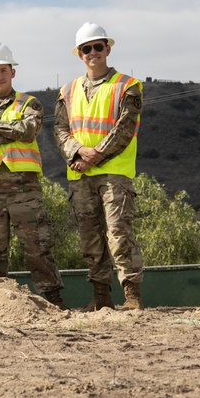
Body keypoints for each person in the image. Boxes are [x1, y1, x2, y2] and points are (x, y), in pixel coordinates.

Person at [0, 43, 66, 308]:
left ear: (13, 72)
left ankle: (54, 301)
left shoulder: (29, 102)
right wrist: (12, 128)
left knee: (37, 246)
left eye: (4, 70)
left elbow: (29, 130)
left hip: (24, 189)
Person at [54, 23, 144, 310]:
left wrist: (94, 154)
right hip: (79, 174)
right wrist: (78, 151)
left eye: (98, 46)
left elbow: (125, 128)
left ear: (108, 48)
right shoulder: (67, 91)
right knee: (90, 239)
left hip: (114, 172)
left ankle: (132, 296)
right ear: (79, 54)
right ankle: (101, 298)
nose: (93, 52)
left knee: (118, 233)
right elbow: (59, 130)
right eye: (86, 48)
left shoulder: (128, 86)